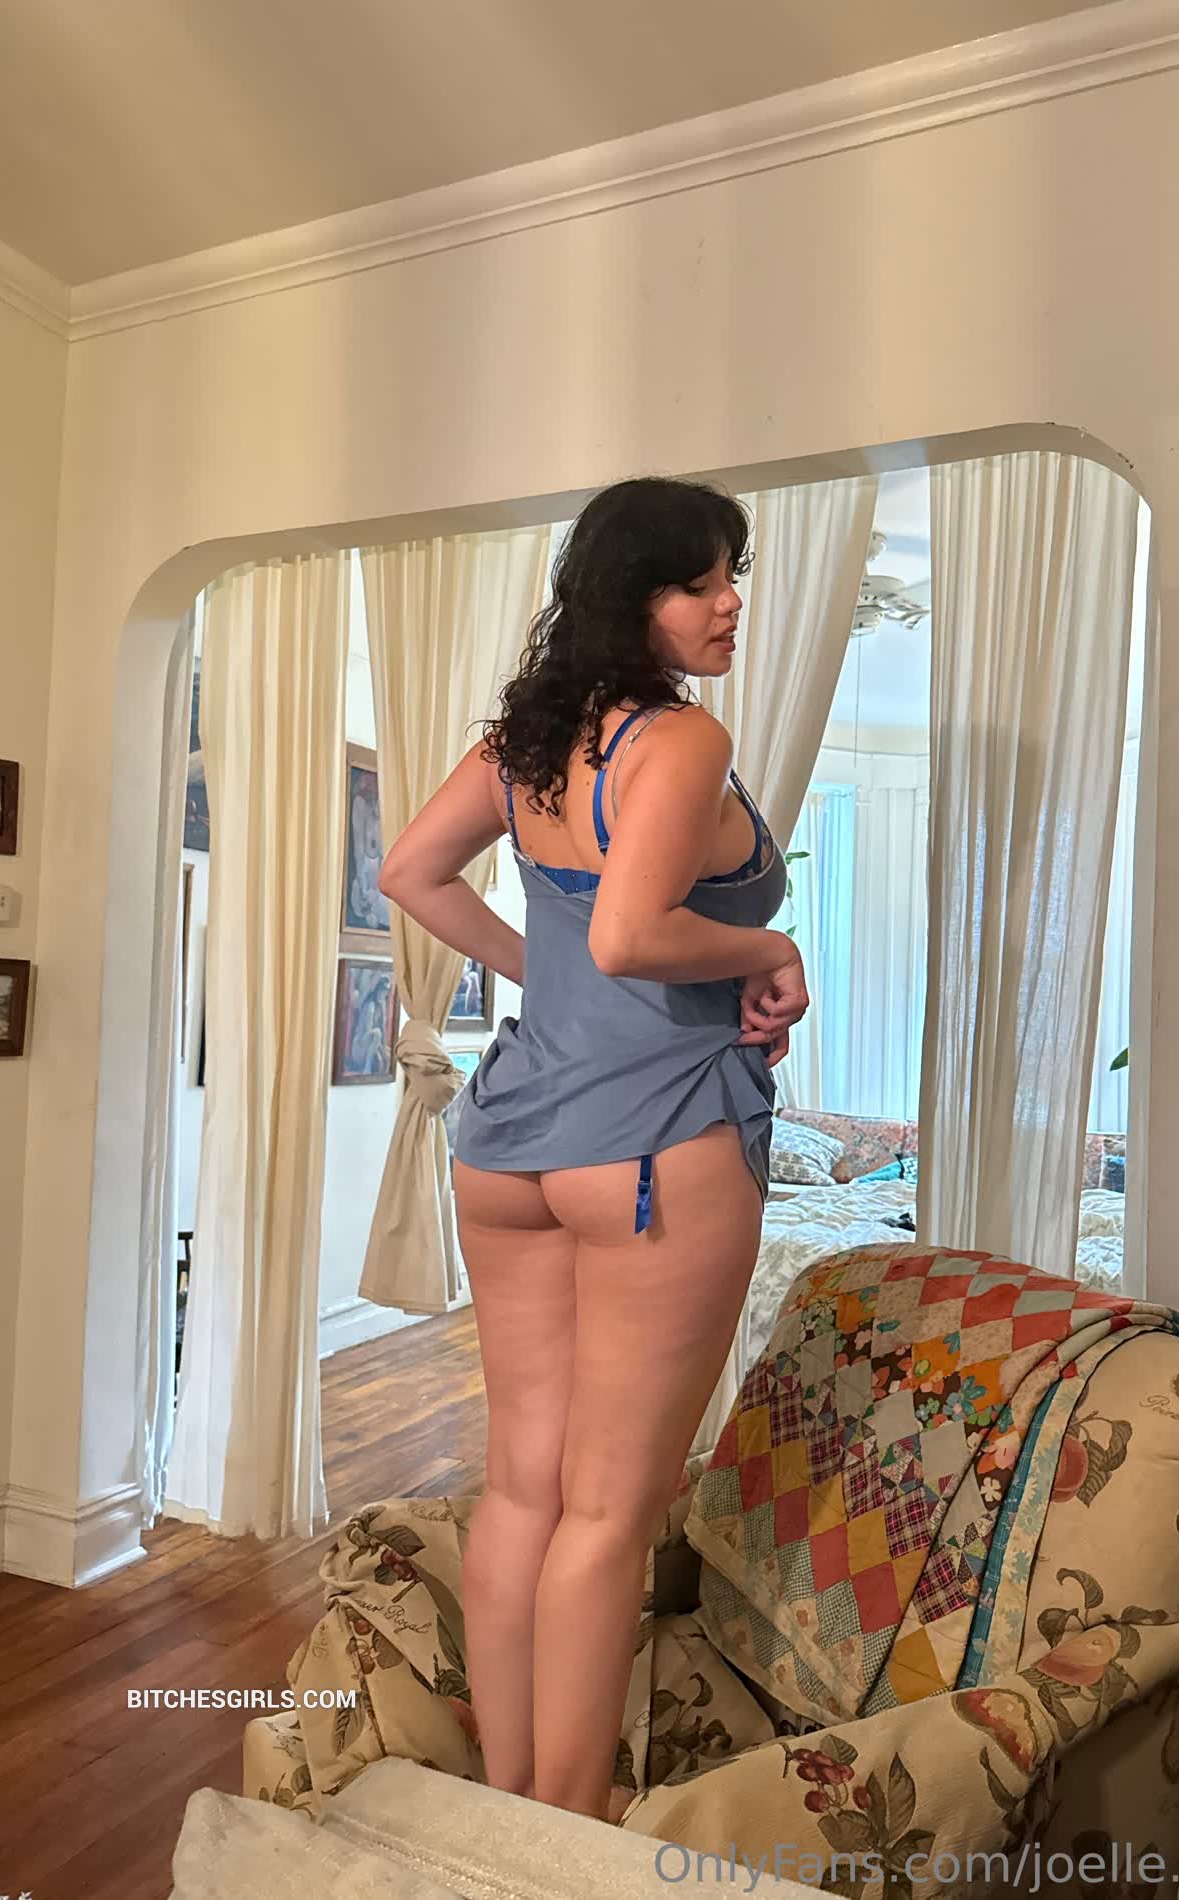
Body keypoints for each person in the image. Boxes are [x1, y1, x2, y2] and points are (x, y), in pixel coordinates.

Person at [377, 476, 810, 1823]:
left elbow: (408, 873)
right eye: (700, 581)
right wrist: (772, 943)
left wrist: (536, 976)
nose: (729, 604)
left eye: (734, 576)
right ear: (632, 598)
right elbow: (629, 936)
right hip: (653, 1136)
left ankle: (513, 1795)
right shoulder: (678, 738)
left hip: (510, 1135)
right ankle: (564, 1831)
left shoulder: (527, 739)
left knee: (523, 1489)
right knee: (609, 1509)